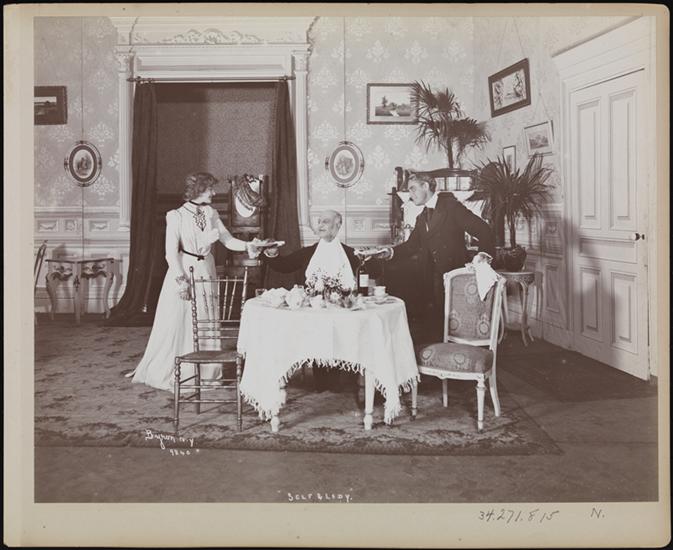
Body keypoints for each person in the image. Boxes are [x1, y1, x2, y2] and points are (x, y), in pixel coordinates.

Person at [129, 172, 262, 391]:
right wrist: (181, 281)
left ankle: (208, 372)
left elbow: (228, 240)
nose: (213, 193)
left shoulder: (211, 213)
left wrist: (248, 246)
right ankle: (183, 369)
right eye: (210, 189)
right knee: (182, 321)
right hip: (184, 270)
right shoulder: (176, 216)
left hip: (206, 269)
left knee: (205, 317)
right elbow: (170, 254)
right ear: (199, 189)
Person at [377, 172, 496, 342]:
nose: (410, 195)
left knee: (448, 327)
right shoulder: (422, 217)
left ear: (425, 186)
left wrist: (482, 257)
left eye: (413, 189)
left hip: (451, 276)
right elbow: (411, 246)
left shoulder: (451, 207)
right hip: (429, 276)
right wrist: (390, 252)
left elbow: (484, 230)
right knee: (433, 326)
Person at [262, 210, 358, 391]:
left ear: (338, 225)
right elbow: (284, 265)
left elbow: (374, 270)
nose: (320, 225)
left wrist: (371, 258)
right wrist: (272, 254)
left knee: (341, 334)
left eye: (326, 221)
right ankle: (320, 379)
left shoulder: (350, 253)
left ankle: (339, 377)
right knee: (316, 333)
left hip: (342, 314)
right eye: (319, 221)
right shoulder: (309, 252)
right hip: (314, 313)